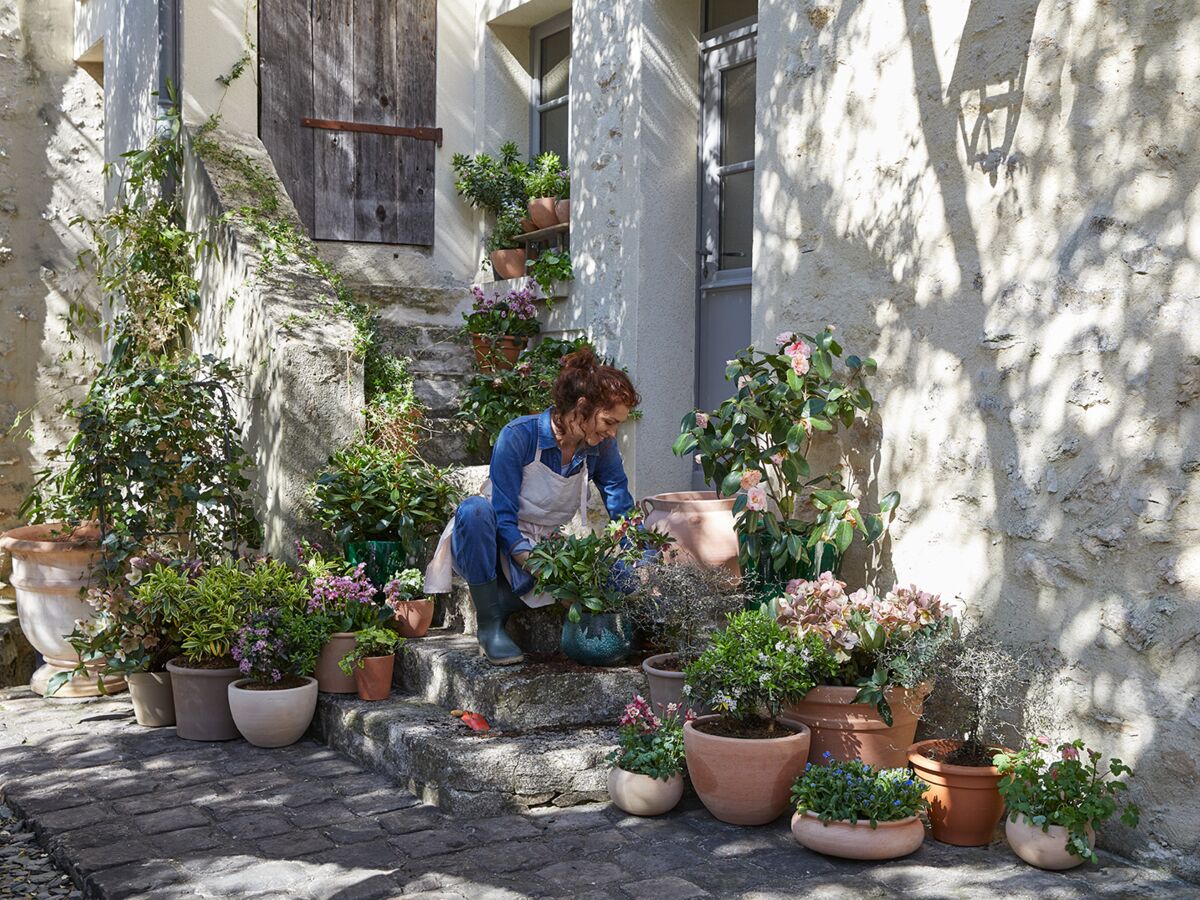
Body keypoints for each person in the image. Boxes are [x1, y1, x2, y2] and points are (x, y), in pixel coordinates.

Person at [425, 347, 637, 665]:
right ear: (581, 408)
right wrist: (543, 570)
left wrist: (644, 560)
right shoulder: (519, 436)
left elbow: (621, 503)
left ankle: (504, 601)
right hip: (491, 541)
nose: (612, 431)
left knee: (624, 578)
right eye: (608, 421)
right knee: (474, 510)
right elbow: (505, 520)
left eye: (617, 424)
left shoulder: (600, 447)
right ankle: (490, 623)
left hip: (545, 548)